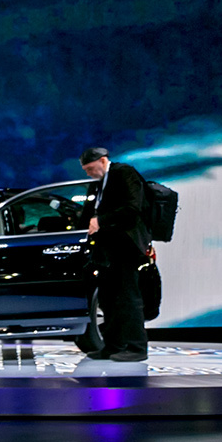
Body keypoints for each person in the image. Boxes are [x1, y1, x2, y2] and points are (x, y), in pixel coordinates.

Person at [79, 145, 150, 361]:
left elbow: (132, 207)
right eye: (86, 170)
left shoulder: (124, 173)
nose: (89, 173)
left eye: (90, 168)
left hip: (125, 247)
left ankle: (137, 348)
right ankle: (112, 346)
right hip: (106, 249)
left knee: (128, 297)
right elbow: (90, 212)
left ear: (102, 160)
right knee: (108, 299)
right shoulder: (98, 184)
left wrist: (101, 221)